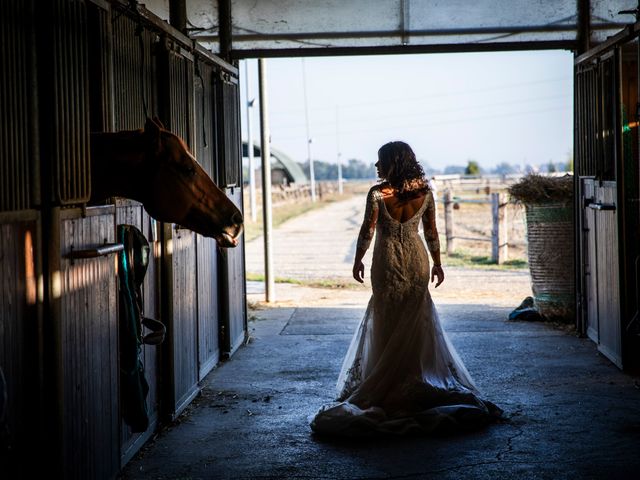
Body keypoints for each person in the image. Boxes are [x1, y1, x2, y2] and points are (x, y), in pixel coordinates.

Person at [310, 141, 501, 436]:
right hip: (417, 260)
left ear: (392, 163)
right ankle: (410, 380)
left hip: (386, 261)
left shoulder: (378, 194)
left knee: (386, 316)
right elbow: (432, 232)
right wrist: (437, 263)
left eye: (380, 161)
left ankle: (389, 384)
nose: (376, 167)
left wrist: (358, 259)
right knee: (415, 319)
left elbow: (367, 230)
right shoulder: (424, 193)